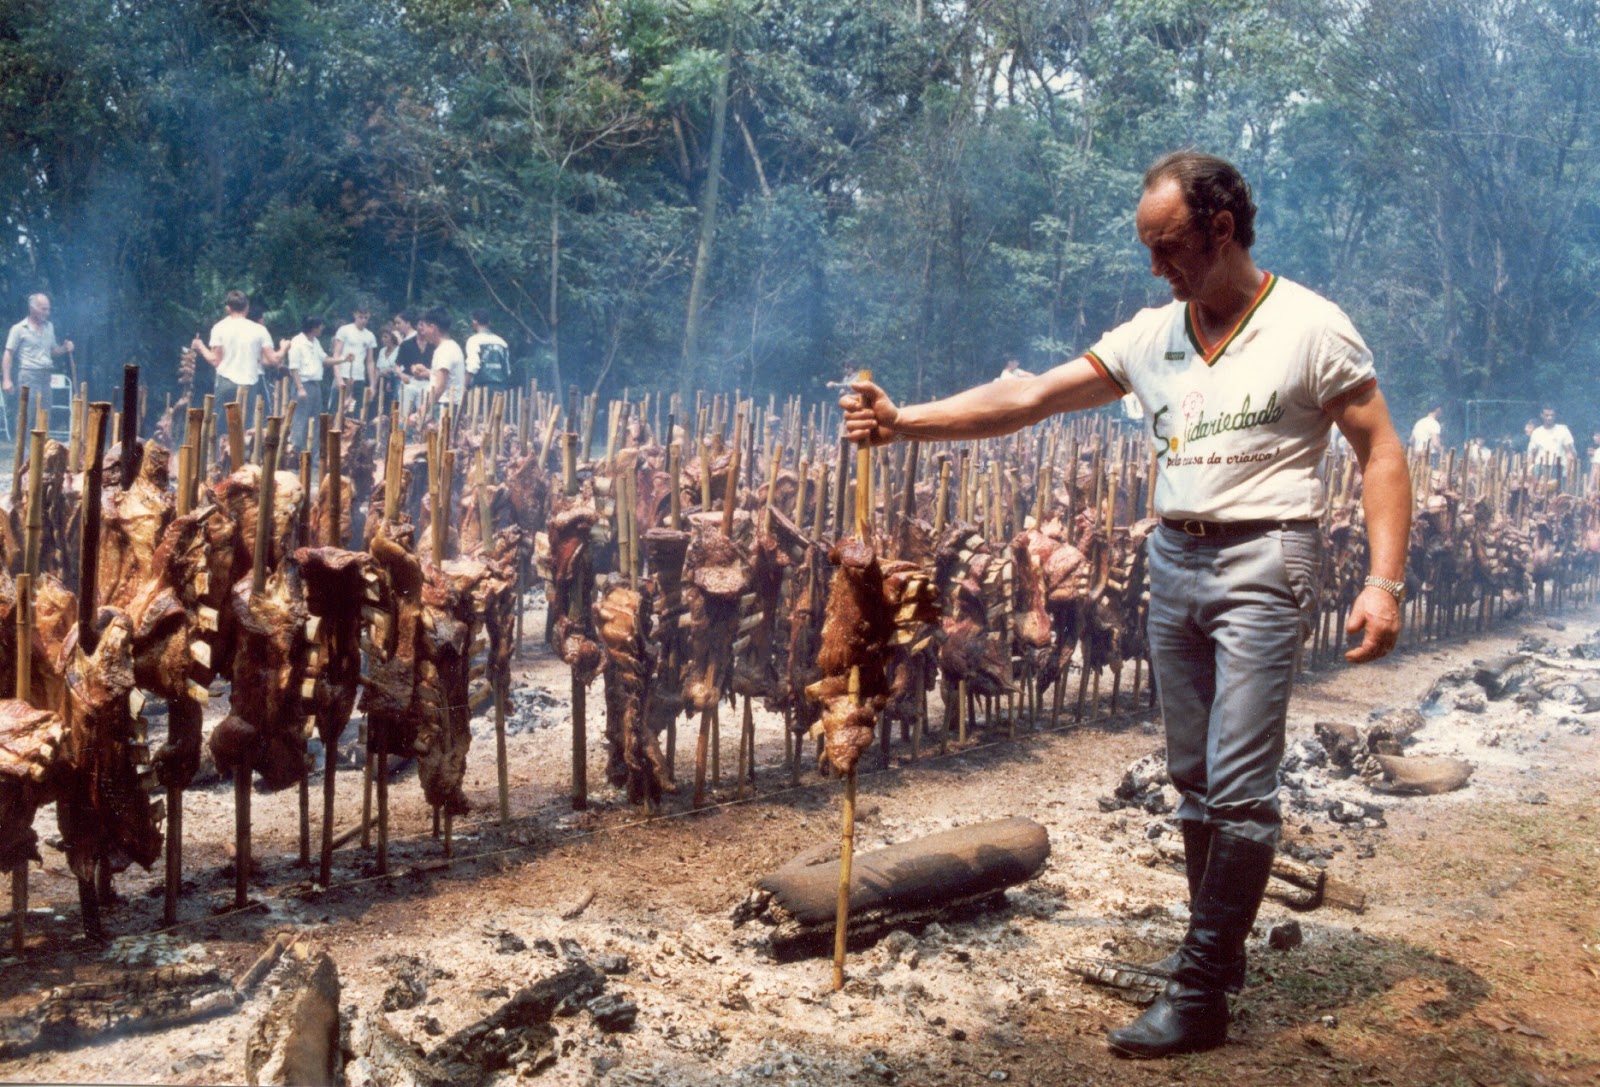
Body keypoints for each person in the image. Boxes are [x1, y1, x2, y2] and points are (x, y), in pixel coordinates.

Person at [841, 151, 1411, 1059]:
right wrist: (905, 419)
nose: (1156, 267)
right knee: (1192, 774)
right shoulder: (1155, 334)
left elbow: (1379, 447)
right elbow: (1027, 396)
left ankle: (1198, 991)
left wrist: (1383, 582)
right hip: (1173, 557)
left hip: (1268, 556)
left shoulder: (1311, 326)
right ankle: (1212, 963)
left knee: (1242, 785)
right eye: (1148, 249)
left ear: (1222, 230)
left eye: (1169, 246)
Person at [191, 290, 286, 420]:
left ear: (227, 308)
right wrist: (284, 348)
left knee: (221, 429)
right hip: (249, 385)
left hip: (226, 383)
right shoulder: (259, 330)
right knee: (243, 429)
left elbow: (215, 360)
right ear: (247, 307)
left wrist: (200, 346)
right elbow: (274, 359)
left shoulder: (219, 328)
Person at [3, 293, 74, 428]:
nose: (47, 313)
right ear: (32, 308)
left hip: (46, 376)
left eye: (48, 309)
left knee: (45, 414)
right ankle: (22, 448)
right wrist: (6, 379)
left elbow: (52, 351)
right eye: (43, 309)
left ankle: (41, 448)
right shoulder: (19, 329)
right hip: (28, 376)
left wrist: (65, 348)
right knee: (26, 414)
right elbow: (8, 353)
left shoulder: (49, 327)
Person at [287, 315, 330, 470]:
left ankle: (315, 459)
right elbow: (294, 367)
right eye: (320, 326)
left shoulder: (315, 342)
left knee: (317, 422)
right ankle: (295, 457)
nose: (322, 329)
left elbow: (325, 359)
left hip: (315, 385)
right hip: (304, 384)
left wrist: (344, 359)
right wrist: (300, 388)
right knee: (300, 421)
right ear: (314, 328)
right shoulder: (297, 342)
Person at [417, 307, 464, 419]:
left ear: (432, 328)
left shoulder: (445, 350)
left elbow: (440, 386)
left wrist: (424, 408)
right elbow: (444, 376)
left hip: (445, 407)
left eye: (425, 326)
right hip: (447, 405)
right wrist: (428, 372)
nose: (423, 332)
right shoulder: (451, 346)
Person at [331, 305, 377, 411]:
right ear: (355, 315)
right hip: (343, 375)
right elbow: (336, 355)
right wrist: (338, 378)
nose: (363, 320)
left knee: (355, 413)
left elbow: (370, 362)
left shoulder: (370, 336)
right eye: (360, 317)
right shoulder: (344, 330)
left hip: (359, 378)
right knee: (336, 411)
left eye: (366, 317)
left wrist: (372, 385)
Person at [464, 309, 511, 389]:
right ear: (489, 323)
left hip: (481, 389)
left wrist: (464, 385)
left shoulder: (474, 340)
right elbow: (507, 371)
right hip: (501, 390)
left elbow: (473, 366)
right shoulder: (502, 342)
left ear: (474, 323)